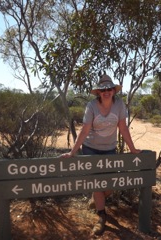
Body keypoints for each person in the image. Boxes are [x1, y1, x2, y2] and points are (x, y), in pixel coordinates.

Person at [60, 74, 141, 235]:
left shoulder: (119, 105)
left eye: (109, 89)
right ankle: (101, 217)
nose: (106, 91)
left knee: (109, 185)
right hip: (91, 148)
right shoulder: (91, 106)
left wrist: (132, 149)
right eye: (103, 89)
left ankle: (96, 197)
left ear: (113, 91)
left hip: (109, 148)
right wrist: (73, 152)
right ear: (98, 92)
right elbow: (84, 130)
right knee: (98, 183)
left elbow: (123, 128)